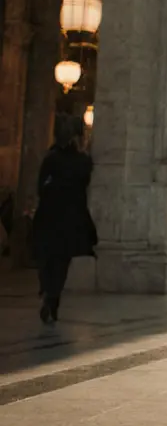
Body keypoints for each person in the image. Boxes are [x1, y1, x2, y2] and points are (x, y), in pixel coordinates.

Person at [30, 115, 97, 323]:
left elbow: (41, 187)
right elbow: (85, 183)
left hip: (49, 214)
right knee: (62, 259)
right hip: (72, 217)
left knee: (45, 255)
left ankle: (46, 288)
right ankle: (53, 297)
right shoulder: (83, 162)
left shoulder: (51, 159)